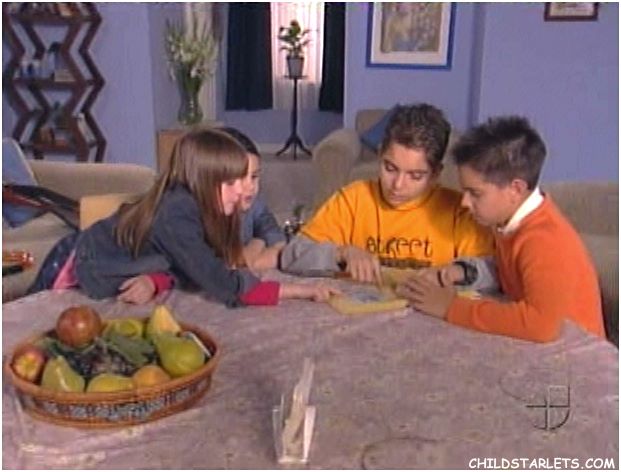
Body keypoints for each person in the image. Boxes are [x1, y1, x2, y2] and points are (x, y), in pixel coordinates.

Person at [30, 128, 338, 306]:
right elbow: (223, 283)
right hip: (73, 260)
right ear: (203, 180)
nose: (242, 190)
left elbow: (185, 262)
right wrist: (302, 291)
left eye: (248, 179)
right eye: (231, 182)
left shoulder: (203, 206)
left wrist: (156, 280)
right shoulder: (176, 214)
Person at [395, 116, 605, 342]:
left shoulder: (545, 239)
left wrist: (451, 307)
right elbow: (513, 270)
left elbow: (541, 326)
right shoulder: (509, 221)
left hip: (576, 352)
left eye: (475, 193)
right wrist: (461, 272)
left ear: (515, 189)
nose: (464, 202)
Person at [279, 103, 494, 283]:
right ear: (380, 154)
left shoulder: (459, 211)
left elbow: (494, 271)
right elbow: (291, 255)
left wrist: (457, 272)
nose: (397, 185)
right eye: (390, 168)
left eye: (415, 176)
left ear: (435, 174)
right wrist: (342, 253)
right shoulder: (352, 200)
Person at [218, 127, 286, 271]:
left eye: (254, 177)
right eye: (241, 177)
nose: (250, 186)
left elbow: (275, 236)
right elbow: (231, 263)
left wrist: (257, 242)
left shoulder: (254, 203)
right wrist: (254, 251)